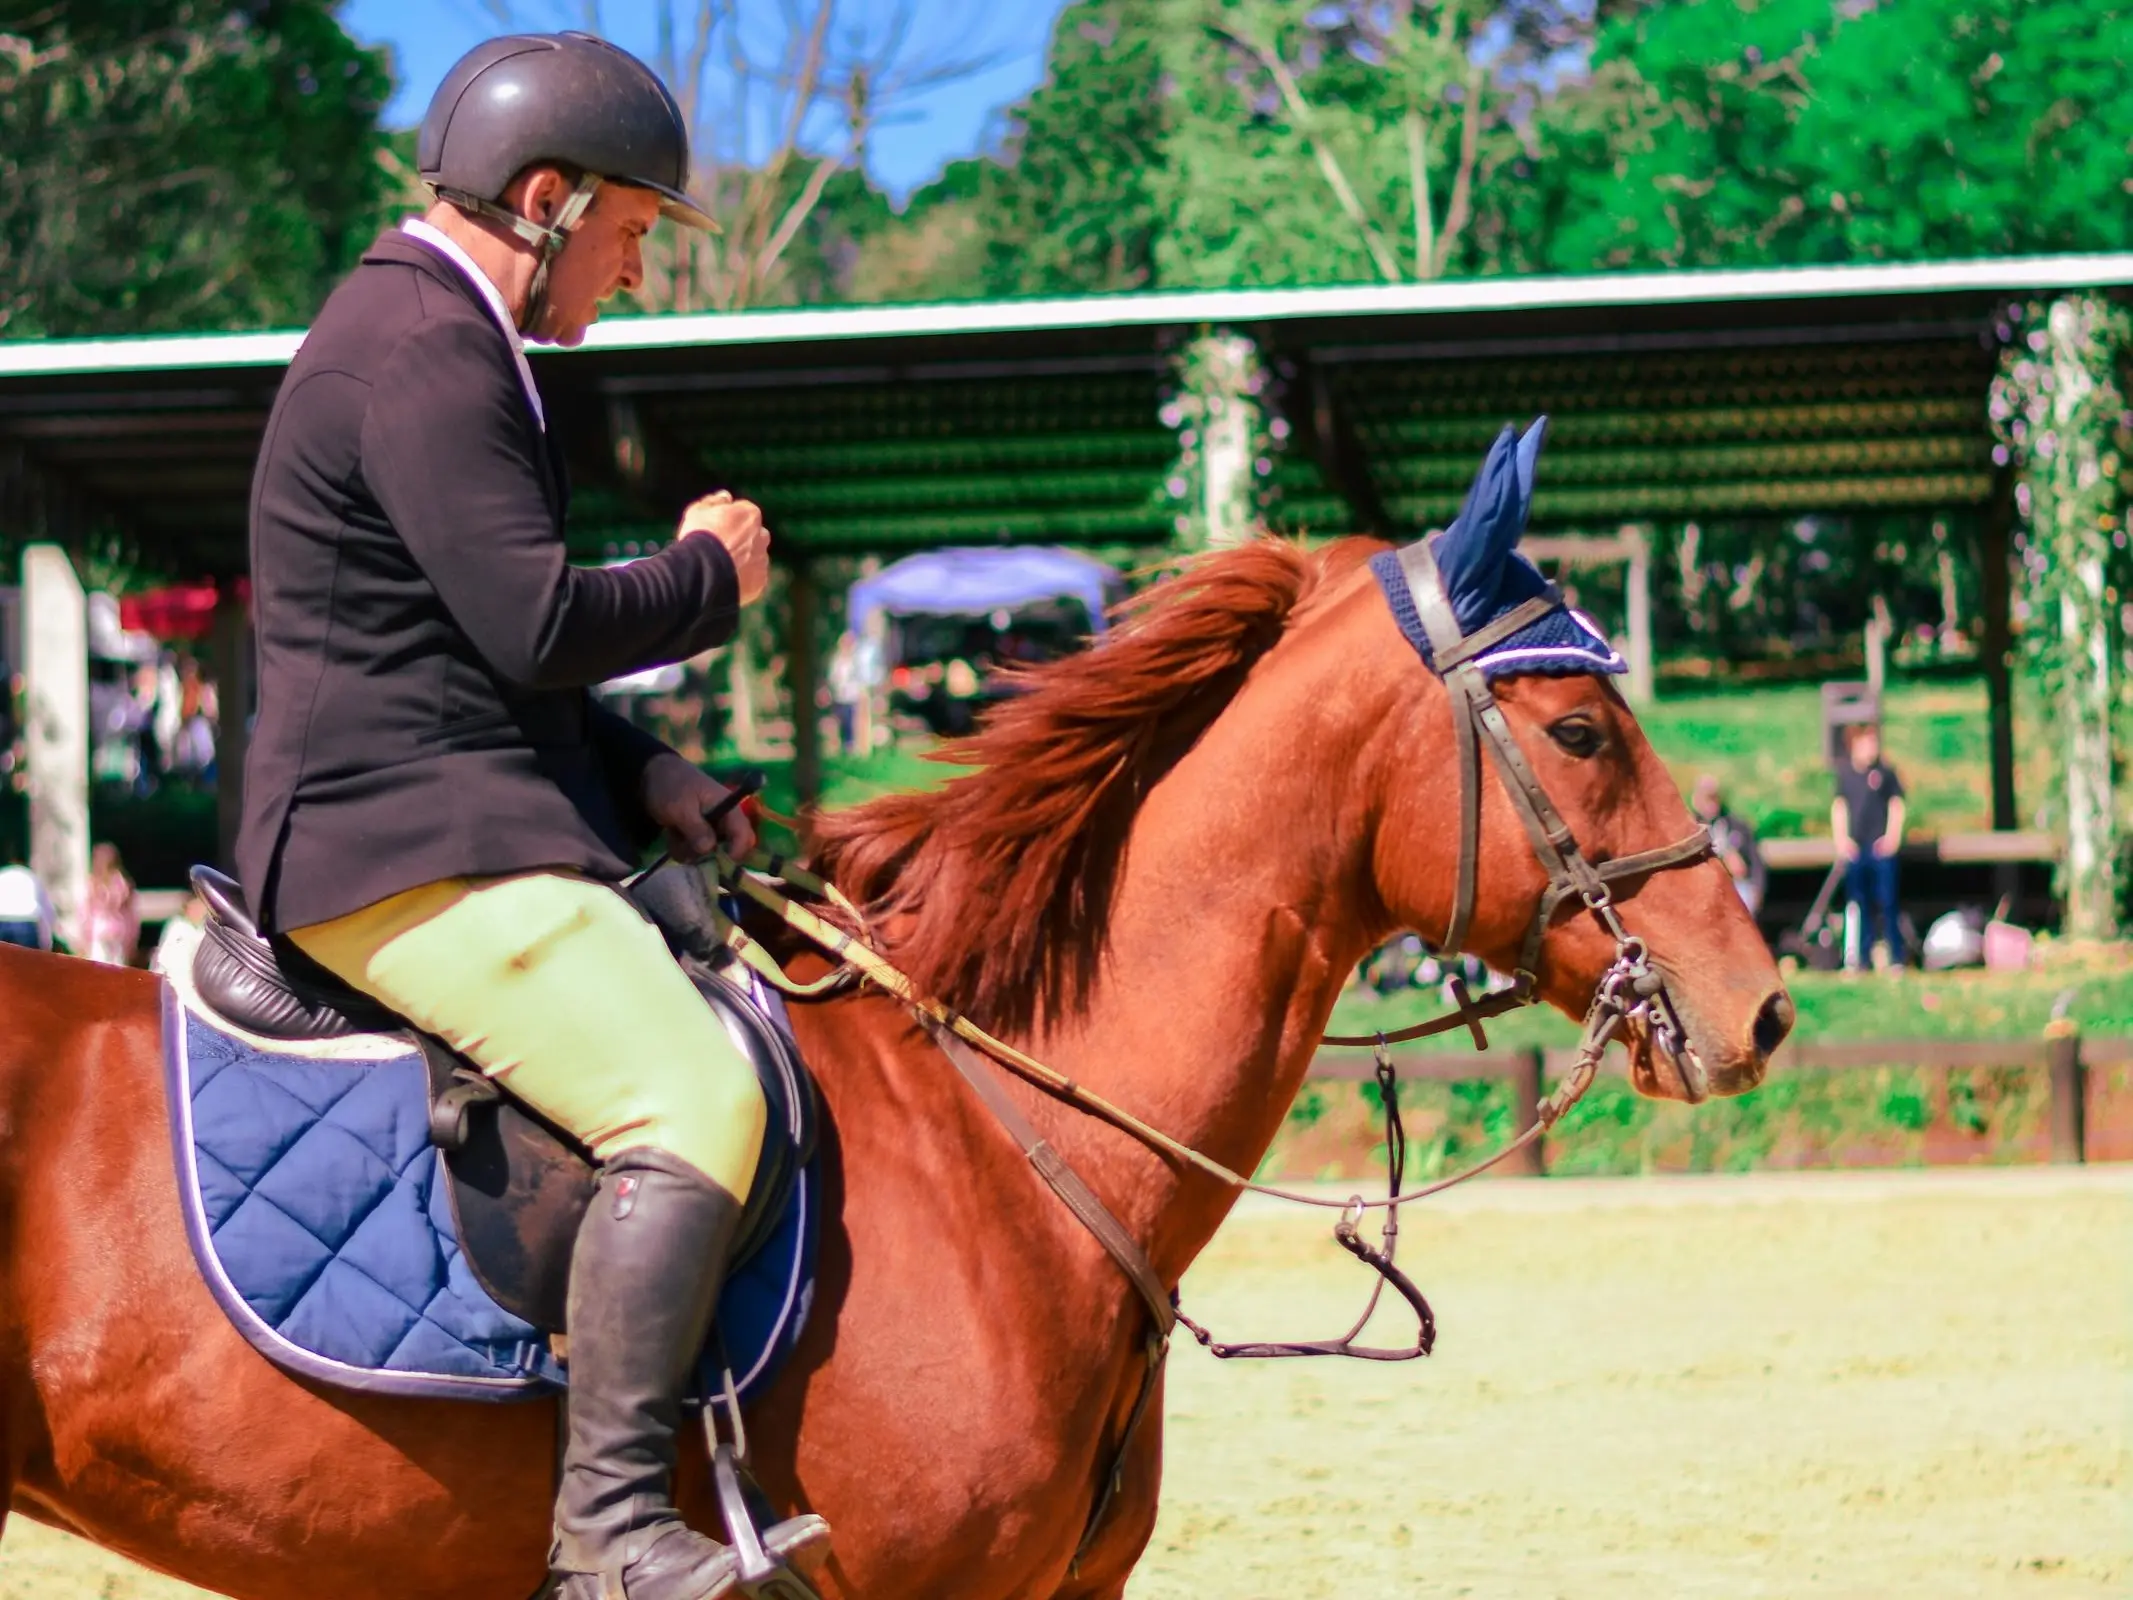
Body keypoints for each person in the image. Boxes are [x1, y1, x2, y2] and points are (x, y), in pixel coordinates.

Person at [234, 32, 823, 1599]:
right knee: (693, 1101)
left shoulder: (438, 333)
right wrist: (706, 578)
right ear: (545, 198)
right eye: (626, 231)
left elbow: (465, 655)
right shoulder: (424, 344)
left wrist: (646, 773)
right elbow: (536, 624)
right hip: (398, 845)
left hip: (434, 809)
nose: (633, 269)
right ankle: (611, 1534)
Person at [1832, 721, 1907, 969]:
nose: (1872, 748)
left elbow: (1896, 805)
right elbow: (1839, 807)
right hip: (1857, 849)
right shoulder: (1845, 775)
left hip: (1880, 849)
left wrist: (1892, 837)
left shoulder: (1886, 773)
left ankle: (1896, 956)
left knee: (1887, 901)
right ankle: (1860, 959)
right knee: (1858, 902)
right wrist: (1842, 840)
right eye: (1867, 742)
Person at [1690, 774, 1767, 918]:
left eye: (1715, 798)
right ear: (1697, 799)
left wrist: (1758, 890)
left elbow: (1756, 860)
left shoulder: (1737, 825)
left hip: (1738, 885)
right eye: (1707, 799)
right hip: (1705, 887)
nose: (1712, 804)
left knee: (1744, 899)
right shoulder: (1691, 828)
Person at [83, 843, 139, 966]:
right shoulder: (95, 883)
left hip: (109, 931)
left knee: (110, 966)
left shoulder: (118, 882)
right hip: (108, 931)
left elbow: (128, 913)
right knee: (106, 966)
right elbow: (86, 911)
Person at [0, 858, 55, 951]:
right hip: (25, 923)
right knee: (27, 959)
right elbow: (45, 909)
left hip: (2, 920)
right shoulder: (31, 876)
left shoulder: (2, 874)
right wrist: (46, 940)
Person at [826, 631, 864, 755]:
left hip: (851, 696)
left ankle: (850, 744)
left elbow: (859, 677)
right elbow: (833, 677)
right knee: (839, 720)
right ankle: (841, 744)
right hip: (839, 695)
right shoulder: (836, 660)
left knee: (850, 720)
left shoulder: (855, 660)